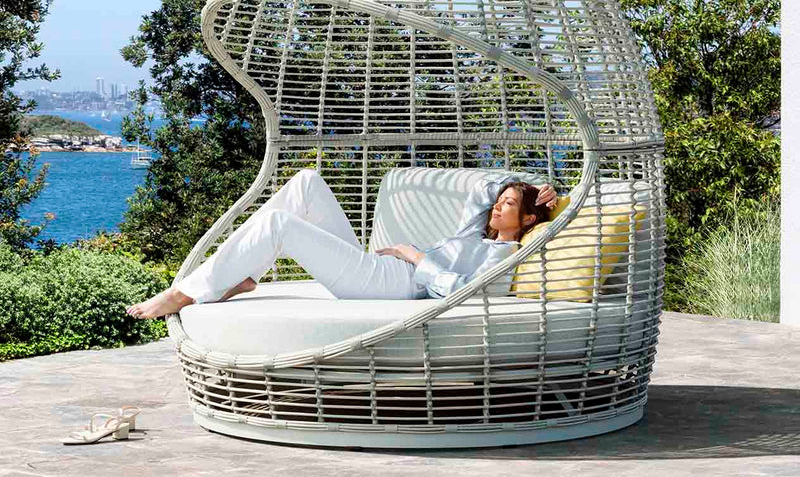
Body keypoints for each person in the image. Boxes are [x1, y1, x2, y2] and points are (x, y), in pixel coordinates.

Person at [126, 169, 557, 319]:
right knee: (307, 184)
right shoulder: (475, 232)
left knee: (278, 224)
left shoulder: (505, 255)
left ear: (529, 220)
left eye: (509, 205)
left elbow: (465, 292)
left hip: (399, 283)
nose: (497, 208)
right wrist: (537, 186)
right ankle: (240, 276)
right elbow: (482, 191)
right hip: (382, 272)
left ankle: (186, 293)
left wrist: (414, 255)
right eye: (500, 203)